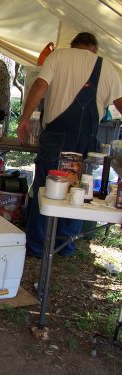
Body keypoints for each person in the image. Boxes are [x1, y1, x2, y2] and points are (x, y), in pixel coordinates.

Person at [17, 32, 122, 258]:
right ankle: (65, 245)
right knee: (79, 190)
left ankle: (37, 246)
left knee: (45, 188)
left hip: (56, 136)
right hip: (86, 141)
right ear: (93, 49)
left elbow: (39, 86)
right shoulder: (108, 67)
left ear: (73, 45)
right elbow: (121, 103)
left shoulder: (58, 56)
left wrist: (25, 118)